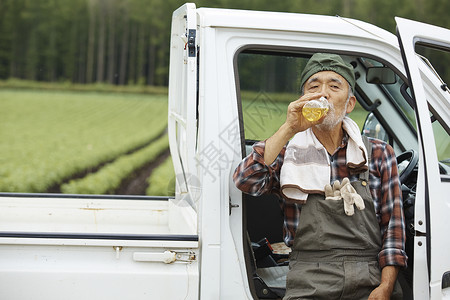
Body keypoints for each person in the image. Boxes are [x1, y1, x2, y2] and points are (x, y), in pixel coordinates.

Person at [233, 53, 407, 300]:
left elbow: (393, 229)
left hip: (370, 279)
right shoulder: (288, 154)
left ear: (349, 104)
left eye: (334, 86)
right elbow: (245, 180)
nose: (323, 94)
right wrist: (289, 128)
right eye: (313, 87)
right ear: (303, 100)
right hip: (309, 280)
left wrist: (386, 287)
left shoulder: (377, 154)